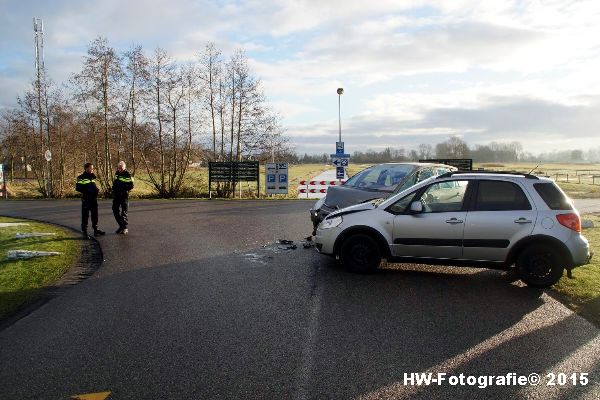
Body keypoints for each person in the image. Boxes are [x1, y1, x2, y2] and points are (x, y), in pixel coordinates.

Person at [76, 163, 105, 237]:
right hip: (86, 199)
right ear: (86, 168)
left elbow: (93, 186)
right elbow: (78, 188)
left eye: (93, 168)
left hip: (93, 199)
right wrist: (88, 191)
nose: (92, 169)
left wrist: (96, 190)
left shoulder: (92, 177)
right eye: (91, 168)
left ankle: (96, 230)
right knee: (85, 215)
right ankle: (84, 231)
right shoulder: (80, 177)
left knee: (95, 215)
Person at [112, 161, 134, 234]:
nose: (119, 169)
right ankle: (121, 226)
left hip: (124, 196)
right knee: (115, 210)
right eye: (118, 168)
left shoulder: (128, 174)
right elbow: (115, 183)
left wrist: (123, 191)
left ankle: (125, 228)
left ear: (124, 167)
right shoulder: (117, 173)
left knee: (124, 212)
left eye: (121, 168)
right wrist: (113, 190)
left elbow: (131, 186)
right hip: (116, 196)